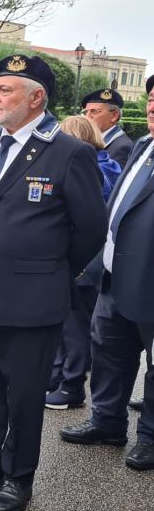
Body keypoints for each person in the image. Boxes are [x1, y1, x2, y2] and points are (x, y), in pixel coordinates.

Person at [0, 55, 107, 511]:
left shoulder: (69, 152)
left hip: (31, 299)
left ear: (37, 97)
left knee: (25, 394)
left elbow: (91, 228)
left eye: (6, 89)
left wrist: (49, 271)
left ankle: (17, 476)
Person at [60, 75, 154, 472]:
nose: (152, 106)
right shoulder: (144, 147)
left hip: (150, 281)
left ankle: (149, 436)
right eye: (150, 99)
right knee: (108, 353)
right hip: (114, 276)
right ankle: (108, 421)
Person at [45, 116, 122, 411]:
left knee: (73, 326)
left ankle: (70, 384)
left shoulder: (88, 169)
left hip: (81, 262)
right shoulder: (107, 164)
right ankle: (60, 377)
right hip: (95, 262)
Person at [82, 88, 133, 168]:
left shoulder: (123, 147)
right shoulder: (90, 139)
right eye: (86, 112)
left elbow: (114, 179)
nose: (87, 117)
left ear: (114, 116)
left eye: (95, 111)